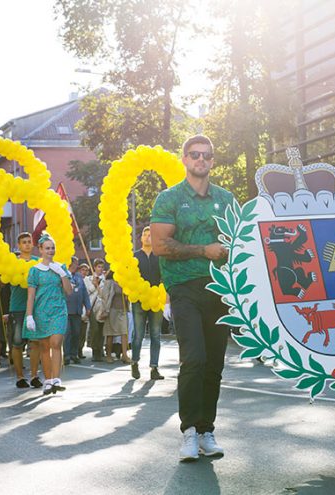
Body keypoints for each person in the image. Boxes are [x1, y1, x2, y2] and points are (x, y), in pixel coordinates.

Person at [151, 134, 236, 461]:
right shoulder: (169, 198)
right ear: (185, 159)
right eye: (194, 154)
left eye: (206, 155)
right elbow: (160, 246)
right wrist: (204, 250)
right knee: (195, 358)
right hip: (184, 288)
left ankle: (206, 430)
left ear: (212, 161)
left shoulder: (227, 199)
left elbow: (241, 241)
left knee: (214, 363)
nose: (201, 159)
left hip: (220, 288)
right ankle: (188, 431)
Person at [24, 233, 73, 395]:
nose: (50, 251)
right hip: (41, 312)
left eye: (52, 248)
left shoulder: (61, 267)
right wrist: (29, 316)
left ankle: (57, 379)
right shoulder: (35, 271)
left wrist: (62, 274)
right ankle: (48, 380)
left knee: (56, 342)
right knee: (44, 347)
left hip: (59, 310)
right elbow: (31, 295)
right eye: (47, 248)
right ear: (40, 250)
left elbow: (69, 291)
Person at [6, 233, 44, 389]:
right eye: (24, 242)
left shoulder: (38, 262)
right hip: (18, 307)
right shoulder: (12, 262)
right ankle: (20, 377)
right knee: (17, 343)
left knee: (35, 343)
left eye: (29, 242)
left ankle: (35, 375)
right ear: (19, 245)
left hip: (35, 308)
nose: (27, 244)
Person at [132, 226, 165, 380]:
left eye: (150, 235)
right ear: (141, 238)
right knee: (138, 334)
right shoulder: (135, 256)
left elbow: (165, 276)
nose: (147, 238)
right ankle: (134, 362)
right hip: (139, 300)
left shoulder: (159, 256)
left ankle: (154, 367)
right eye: (145, 235)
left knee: (156, 335)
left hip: (156, 300)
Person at [97, 270, 130, 363]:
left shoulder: (125, 282)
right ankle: (108, 355)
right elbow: (104, 296)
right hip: (111, 310)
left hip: (123, 310)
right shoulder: (109, 282)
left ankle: (124, 355)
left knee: (124, 332)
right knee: (110, 333)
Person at [64, 256, 91, 365]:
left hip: (77, 310)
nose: (77, 266)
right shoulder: (64, 275)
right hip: (66, 310)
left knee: (76, 333)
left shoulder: (79, 277)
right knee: (67, 333)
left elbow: (84, 292)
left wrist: (88, 306)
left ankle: (74, 354)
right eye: (76, 263)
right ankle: (66, 355)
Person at [86, 259, 106, 361]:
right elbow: (88, 291)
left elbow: (104, 294)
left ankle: (100, 349)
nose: (101, 269)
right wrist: (94, 284)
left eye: (102, 267)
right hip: (93, 307)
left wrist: (100, 284)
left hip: (102, 307)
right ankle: (95, 350)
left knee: (102, 330)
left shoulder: (105, 279)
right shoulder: (88, 279)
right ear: (94, 267)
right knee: (95, 329)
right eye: (99, 267)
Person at [78, 263, 92, 359]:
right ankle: (74, 351)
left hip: (85, 309)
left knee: (83, 333)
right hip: (77, 309)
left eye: (86, 270)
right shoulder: (76, 279)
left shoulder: (89, 281)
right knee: (76, 333)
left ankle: (80, 350)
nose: (84, 272)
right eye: (83, 270)